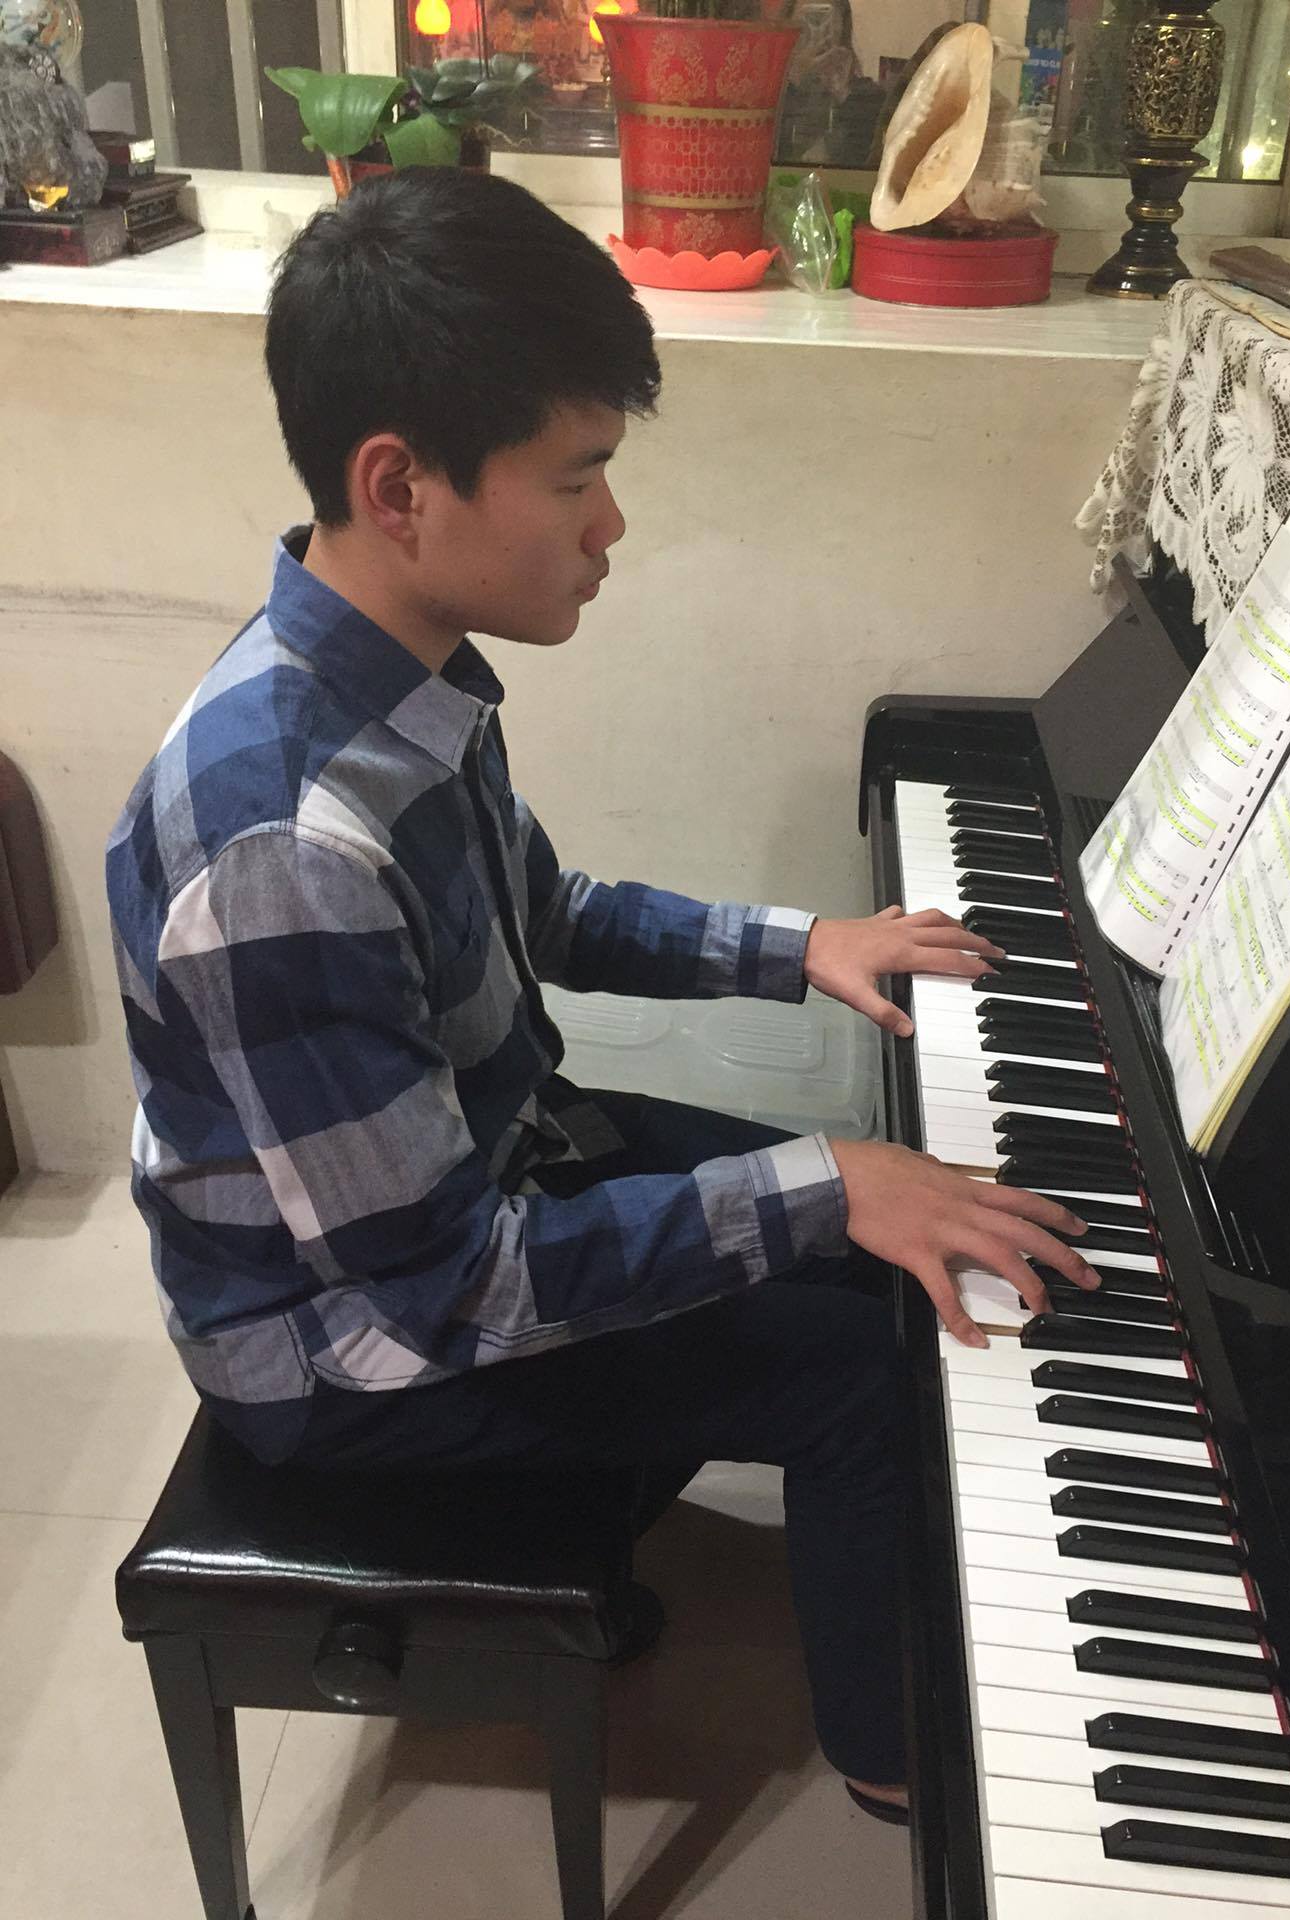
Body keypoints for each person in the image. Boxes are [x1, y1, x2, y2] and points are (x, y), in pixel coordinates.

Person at [105, 170, 1100, 1824]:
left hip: (489, 1172)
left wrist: (808, 946)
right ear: (400, 486)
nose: (610, 527)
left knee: (888, 1232)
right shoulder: (284, 847)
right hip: (350, 1353)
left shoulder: (398, 681)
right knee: (858, 1360)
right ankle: (898, 1759)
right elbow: (445, 1295)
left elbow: (548, 913)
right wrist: (825, 1183)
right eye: (577, 479)